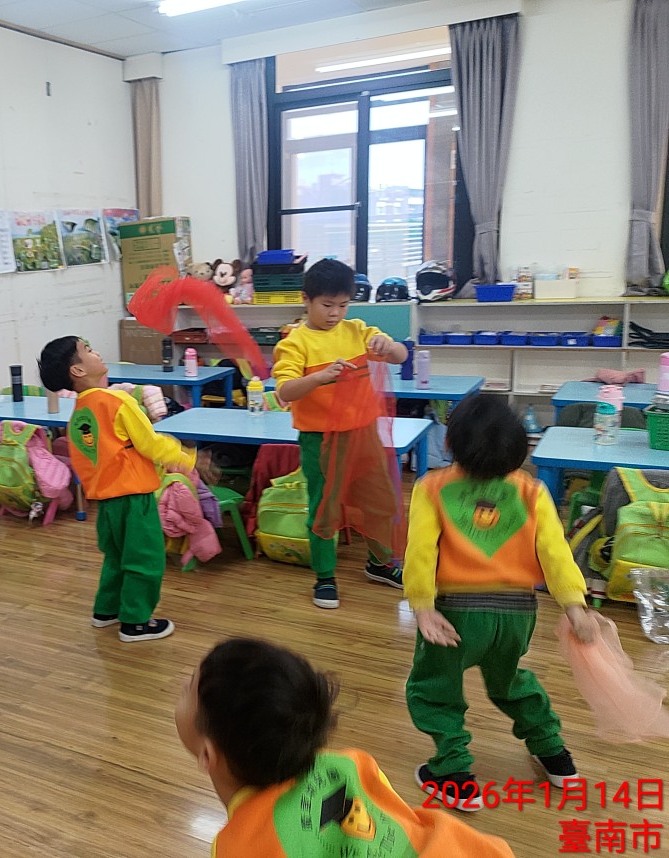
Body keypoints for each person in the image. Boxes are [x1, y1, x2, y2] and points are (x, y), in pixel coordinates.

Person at [405, 394, 597, 810]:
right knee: (509, 681)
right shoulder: (532, 491)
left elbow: (421, 551)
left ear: (449, 443)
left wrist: (422, 606)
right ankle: (555, 755)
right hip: (516, 614)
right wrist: (575, 606)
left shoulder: (431, 488)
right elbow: (555, 553)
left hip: (455, 614)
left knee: (435, 687)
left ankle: (453, 774)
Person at [175, 638, 515, 856]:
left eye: (188, 689)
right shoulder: (351, 764)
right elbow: (397, 816)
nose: (181, 687)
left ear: (208, 755)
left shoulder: (240, 847)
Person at [37, 336, 194, 642]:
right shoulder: (117, 401)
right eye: (87, 350)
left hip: (106, 502)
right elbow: (150, 443)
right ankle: (135, 622)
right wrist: (184, 457)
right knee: (145, 560)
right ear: (78, 370)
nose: (96, 352)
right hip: (134, 497)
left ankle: (106, 610)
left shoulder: (80, 410)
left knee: (116, 557)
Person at [273, 259, 408, 609]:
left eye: (343, 305)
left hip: (364, 435)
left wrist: (387, 345)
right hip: (320, 440)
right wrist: (320, 377)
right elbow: (285, 391)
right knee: (325, 508)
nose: (335, 313)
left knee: (380, 500)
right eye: (327, 305)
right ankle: (325, 576)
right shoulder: (295, 342)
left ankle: (380, 563)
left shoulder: (357, 330)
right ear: (306, 299)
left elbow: (400, 355)